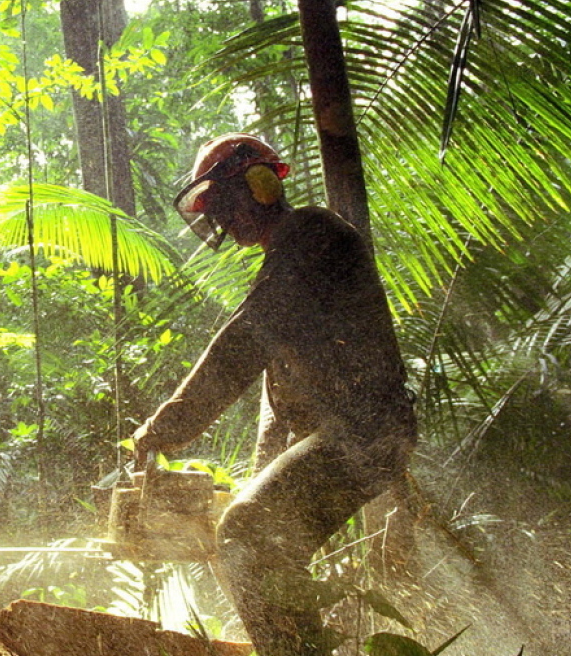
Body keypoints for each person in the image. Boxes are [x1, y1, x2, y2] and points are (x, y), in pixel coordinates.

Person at [131, 134, 417, 655]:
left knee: (247, 532)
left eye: (224, 202)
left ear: (260, 184)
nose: (222, 219)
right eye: (214, 210)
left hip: (366, 428)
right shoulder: (285, 260)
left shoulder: (311, 234)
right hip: (347, 433)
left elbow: (245, 339)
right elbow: (278, 402)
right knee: (253, 533)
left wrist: (164, 428)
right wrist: (255, 478)